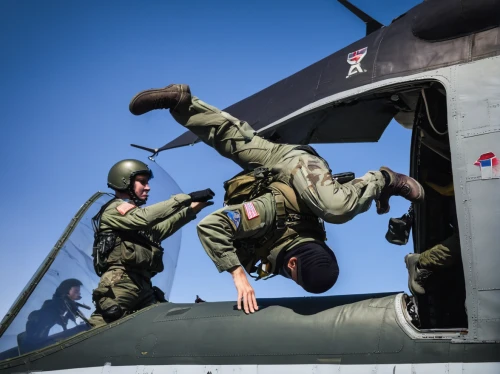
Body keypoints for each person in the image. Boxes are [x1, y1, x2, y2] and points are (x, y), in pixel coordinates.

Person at [128, 84, 425, 314]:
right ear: (293, 263)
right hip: (296, 166)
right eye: (294, 277)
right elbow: (211, 227)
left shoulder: (286, 247)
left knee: (228, 138)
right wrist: (237, 273)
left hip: (272, 166)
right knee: (336, 207)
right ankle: (384, 179)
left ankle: (181, 102)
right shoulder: (268, 213)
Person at [88, 159, 214, 327]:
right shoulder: (114, 209)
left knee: (162, 327)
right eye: (142, 182)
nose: (148, 187)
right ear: (125, 181)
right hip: (120, 282)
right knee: (98, 332)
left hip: (144, 285)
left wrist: (192, 209)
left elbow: (160, 230)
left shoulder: (132, 218)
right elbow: (145, 218)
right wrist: (185, 198)